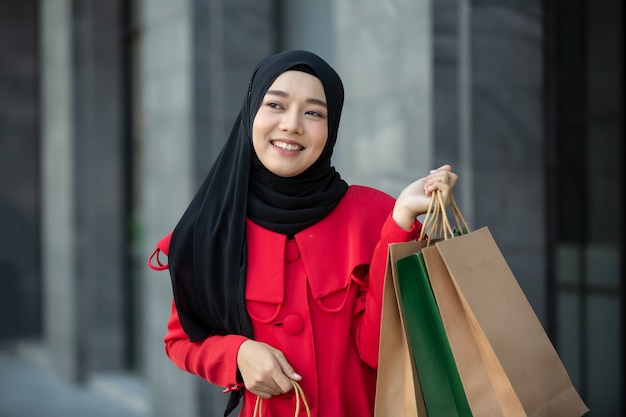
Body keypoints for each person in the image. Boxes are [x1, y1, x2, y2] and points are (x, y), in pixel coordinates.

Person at [148, 49, 458, 417]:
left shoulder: (377, 218)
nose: (292, 124)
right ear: (251, 113)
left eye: (314, 112)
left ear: (332, 129)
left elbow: (380, 351)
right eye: (275, 105)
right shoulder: (213, 226)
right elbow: (181, 341)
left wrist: (402, 220)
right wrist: (237, 355)